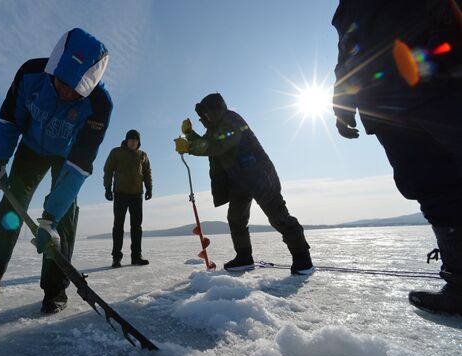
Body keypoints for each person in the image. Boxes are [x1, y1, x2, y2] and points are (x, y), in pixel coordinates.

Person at [0, 28, 113, 314]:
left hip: (67, 159)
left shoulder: (100, 105)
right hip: (30, 150)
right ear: (54, 67)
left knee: (61, 222)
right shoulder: (31, 74)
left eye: (75, 88)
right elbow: (9, 120)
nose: (65, 91)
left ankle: (55, 291)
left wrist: (50, 218)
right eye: (62, 82)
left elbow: (80, 165)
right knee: (9, 212)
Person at [332, 0, 462, 314]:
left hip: (439, 83)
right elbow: (348, 57)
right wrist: (342, 106)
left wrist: (448, 49)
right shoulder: (346, 9)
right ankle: (460, 283)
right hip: (385, 107)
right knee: (431, 188)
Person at [175, 93, 315, 274]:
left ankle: (303, 258)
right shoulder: (215, 128)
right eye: (205, 114)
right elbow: (208, 142)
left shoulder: (232, 120)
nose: (207, 116)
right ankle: (244, 257)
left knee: (278, 216)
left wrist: (190, 147)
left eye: (209, 112)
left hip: (258, 174)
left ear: (218, 110)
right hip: (239, 180)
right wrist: (189, 134)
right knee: (236, 218)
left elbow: (217, 145)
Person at [103, 130, 152, 267]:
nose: (132, 142)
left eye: (135, 140)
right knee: (118, 226)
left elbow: (147, 173)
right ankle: (116, 258)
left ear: (138, 142)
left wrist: (149, 188)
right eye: (130, 140)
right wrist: (107, 188)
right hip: (120, 194)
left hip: (137, 195)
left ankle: (136, 256)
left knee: (137, 227)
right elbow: (108, 170)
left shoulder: (143, 155)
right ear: (126, 140)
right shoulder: (116, 152)